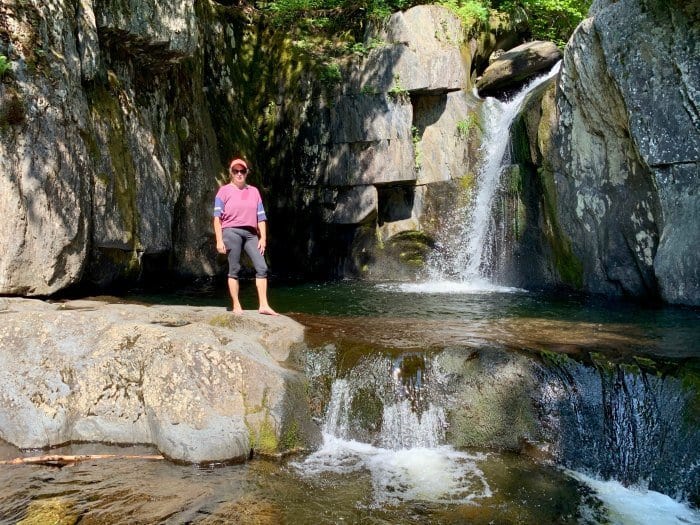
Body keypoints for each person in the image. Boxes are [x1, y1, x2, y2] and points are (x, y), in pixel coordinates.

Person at [213, 157, 278, 315]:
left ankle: (263, 305)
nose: (239, 174)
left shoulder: (254, 191)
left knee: (262, 267)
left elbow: (261, 217)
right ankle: (236, 305)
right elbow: (217, 218)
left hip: (251, 233)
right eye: (236, 171)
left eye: (242, 171)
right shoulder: (224, 191)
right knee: (234, 269)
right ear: (231, 173)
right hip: (231, 231)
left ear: (247, 172)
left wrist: (263, 238)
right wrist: (219, 240)